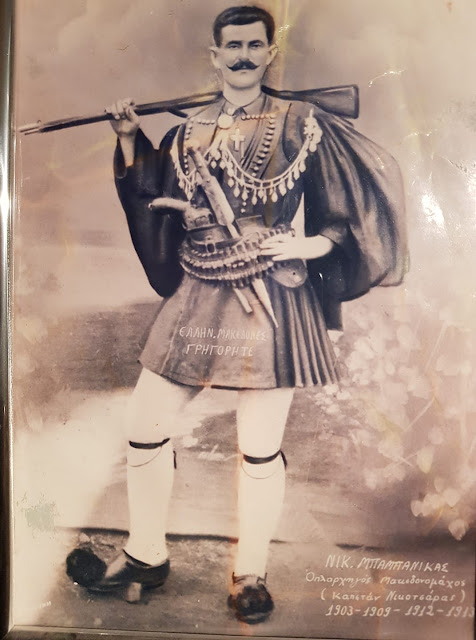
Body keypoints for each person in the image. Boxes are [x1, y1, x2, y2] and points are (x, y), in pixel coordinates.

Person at [77, 5, 406, 624]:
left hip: (275, 294)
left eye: (255, 45)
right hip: (199, 288)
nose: (244, 56)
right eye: (232, 46)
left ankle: (250, 572)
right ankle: (146, 554)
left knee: (259, 446)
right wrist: (127, 138)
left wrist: (309, 245)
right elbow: (153, 197)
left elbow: (354, 206)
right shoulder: (187, 131)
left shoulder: (303, 122)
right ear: (215, 55)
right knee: (145, 422)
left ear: (270, 52)